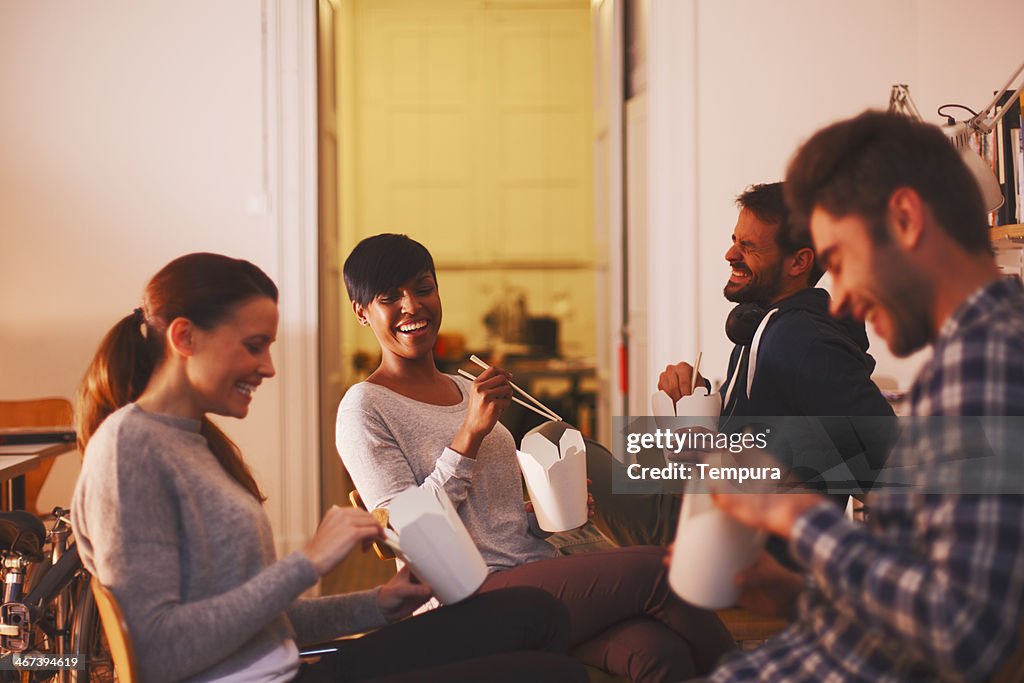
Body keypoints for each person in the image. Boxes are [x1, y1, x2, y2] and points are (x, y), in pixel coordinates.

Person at [72, 252, 587, 683]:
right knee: (551, 672)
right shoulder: (128, 450)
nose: (269, 367)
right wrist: (309, 563)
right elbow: (158, 652)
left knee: (535, 614)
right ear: (184, 338)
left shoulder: (196, 443)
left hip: (286, 667)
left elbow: (263, 624)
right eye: (255, 346)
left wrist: (379, 603)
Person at [702, 111, 1024, 681]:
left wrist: (798, 517)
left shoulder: (983, 362)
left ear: (904, 219)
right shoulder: (963, 360)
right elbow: (924, 603)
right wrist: (806, 595)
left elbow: (965, 634)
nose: (842, 301)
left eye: (839, 262)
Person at [335, 234, 736, 683]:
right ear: (361, 311)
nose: (412, 306)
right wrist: (469, 434)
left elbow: (491, 517)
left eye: (423, 287)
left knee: (658, 654)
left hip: (532, 571)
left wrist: (540, 514)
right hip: (462, 598)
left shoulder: (465, 386)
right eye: (391, 297)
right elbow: (412, 531)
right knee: (661, 571)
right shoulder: (364, 407)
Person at [591, 182, 895, 553]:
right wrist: (701, 396)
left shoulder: (800, 339)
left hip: (729, 541)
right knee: (644, 451)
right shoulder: (769, 326)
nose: (730, 254)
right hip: (710, 510)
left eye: (748, 247)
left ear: (799, 262)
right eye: (735, 240)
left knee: (560, 442)